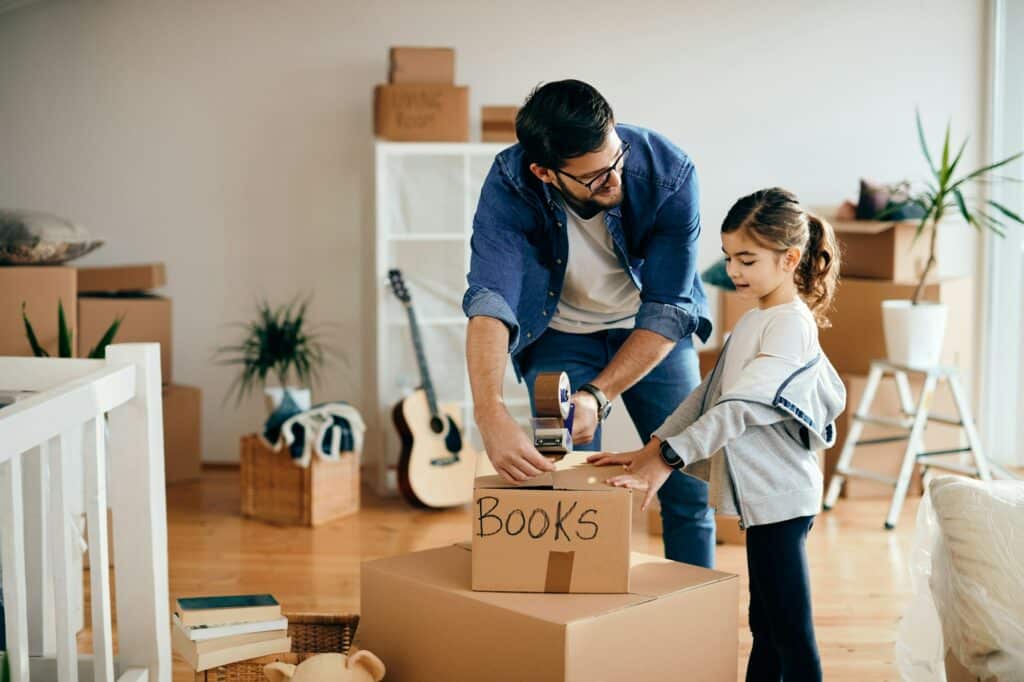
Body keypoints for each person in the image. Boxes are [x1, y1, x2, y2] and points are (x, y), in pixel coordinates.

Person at [590, 187, 846, 682]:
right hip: (765, 502)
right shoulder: (754, 321)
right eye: (729, 257)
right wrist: (649, 448)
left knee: (790, 630)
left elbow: (740, 408)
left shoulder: (790, 326)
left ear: (789, 258)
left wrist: (667, 459)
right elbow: (707, 396)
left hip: (784, 501)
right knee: (766, 622)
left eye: (747, 260)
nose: (733, 271)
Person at [462, 79, 716, 568]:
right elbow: (490, 300)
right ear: (545, 172)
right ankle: (572, 615)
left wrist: (598, 396)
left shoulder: (670, 172)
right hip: (557, 335)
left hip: (653, 335)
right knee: (564, 486)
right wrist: (490, 412)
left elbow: (667, 305)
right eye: (596, 178)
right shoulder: (510, 183)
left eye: (616, 159)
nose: (615, 180)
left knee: (686, 483)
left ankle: (693, 618)